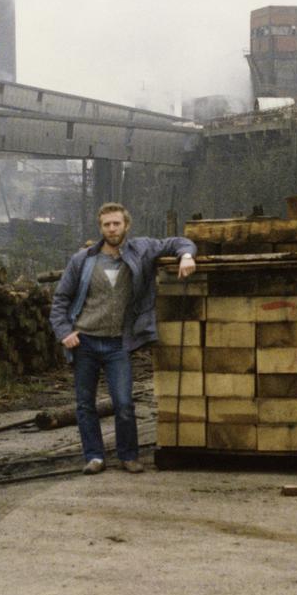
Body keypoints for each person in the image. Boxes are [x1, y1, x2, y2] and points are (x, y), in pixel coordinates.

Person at [49, 203, 197, 474]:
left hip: (118, 343)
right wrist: (64, 333)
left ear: (126, 225)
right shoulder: (83, 260)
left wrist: (187, 255)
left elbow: (177, 242)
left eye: (116, 223)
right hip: (85, 342)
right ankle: (94, 456)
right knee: (85, 404)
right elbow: (60, 300)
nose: (112, 229)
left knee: (124, 403)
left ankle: (128, 456)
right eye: (106, 224)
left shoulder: (141, 250)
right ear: (100, 227)